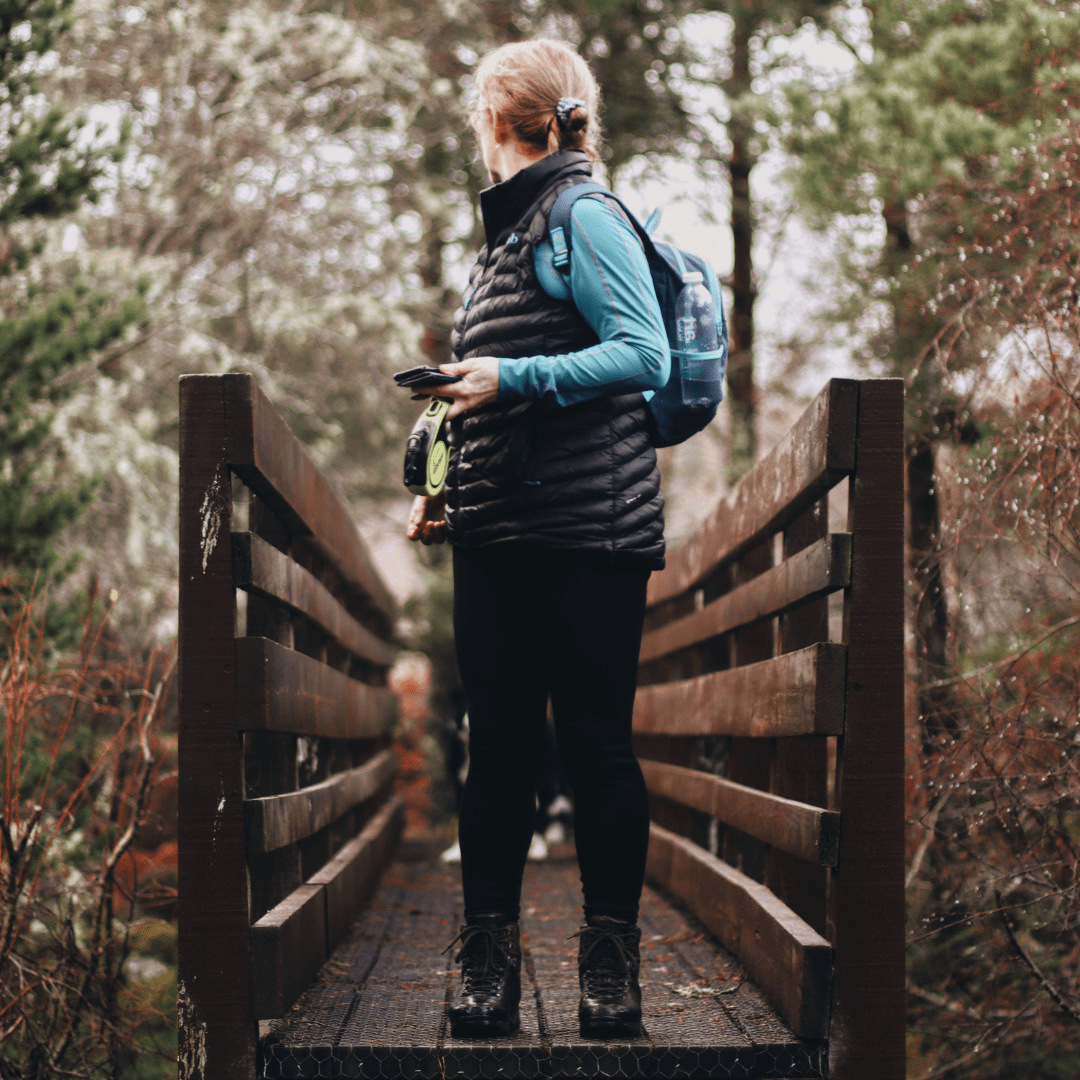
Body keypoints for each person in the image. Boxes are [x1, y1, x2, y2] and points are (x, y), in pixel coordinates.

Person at [405, 38, 682, 1041]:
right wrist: (435, 464)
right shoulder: (508, 237)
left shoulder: (583, 214)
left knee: (597, 745)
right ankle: (488, 966)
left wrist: (507, 380)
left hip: (592, 533)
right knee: (499, 750)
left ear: (494, 122)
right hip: (497, 527)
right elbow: (502, 378)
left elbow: (643, 352)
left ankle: (608, 971)